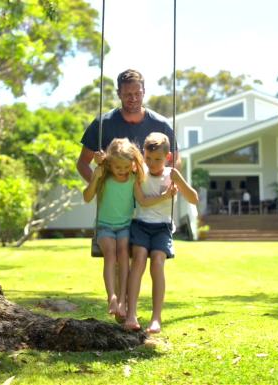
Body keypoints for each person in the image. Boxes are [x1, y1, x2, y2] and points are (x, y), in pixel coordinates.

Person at [82, 138, 174, 319]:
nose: (122, 171)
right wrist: (96, 174)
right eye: (118, 168)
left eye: (126, 167)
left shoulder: (134, 178)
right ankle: (112, 297)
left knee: (123, 254)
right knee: (110, 253)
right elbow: (87, 197)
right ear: (111, 164)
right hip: (105, 226)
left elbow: (145, 187)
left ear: (132, 164)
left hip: (125, 226)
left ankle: (123, 301)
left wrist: (165, 194)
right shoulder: (104, 177)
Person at [123, 132, 198, 334]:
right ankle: (131, 314)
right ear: (143, 155)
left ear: (168, 157)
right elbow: (143, 201)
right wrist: (165, 196)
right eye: (148, 158)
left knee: (157, 262)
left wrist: (179, 182)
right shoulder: (139, 172)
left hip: (162, 227)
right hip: (140, 224)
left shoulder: (172, 173)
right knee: (138, 260)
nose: (152, 163)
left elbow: (194, 199)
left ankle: (156, 318)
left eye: (157, 159)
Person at [77, 69, 180, 184]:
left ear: (144, 92)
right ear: (119, 94)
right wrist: (98, 187)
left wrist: (164, 185)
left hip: (149, 196)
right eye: (128, 94)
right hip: (115, 197)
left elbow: (175, 160)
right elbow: (82, 163)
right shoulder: (102, 124)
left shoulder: (162, 124)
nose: (133, 99)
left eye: (137, 94)